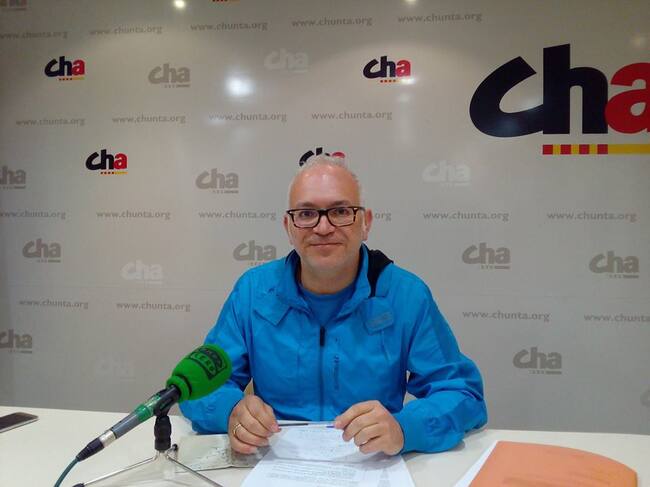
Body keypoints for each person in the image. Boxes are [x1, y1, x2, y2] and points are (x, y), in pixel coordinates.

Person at [180, 156, 487, 455]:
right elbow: (198, 386)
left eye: (340, 211)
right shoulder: (253, 291)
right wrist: (231, 411)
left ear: (365, 223)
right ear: (288, 227)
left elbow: (462, 393)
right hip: (276, 460)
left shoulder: (406, 295)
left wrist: (404, 428)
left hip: (371, 462)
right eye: (306, 214)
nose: (323, 227)